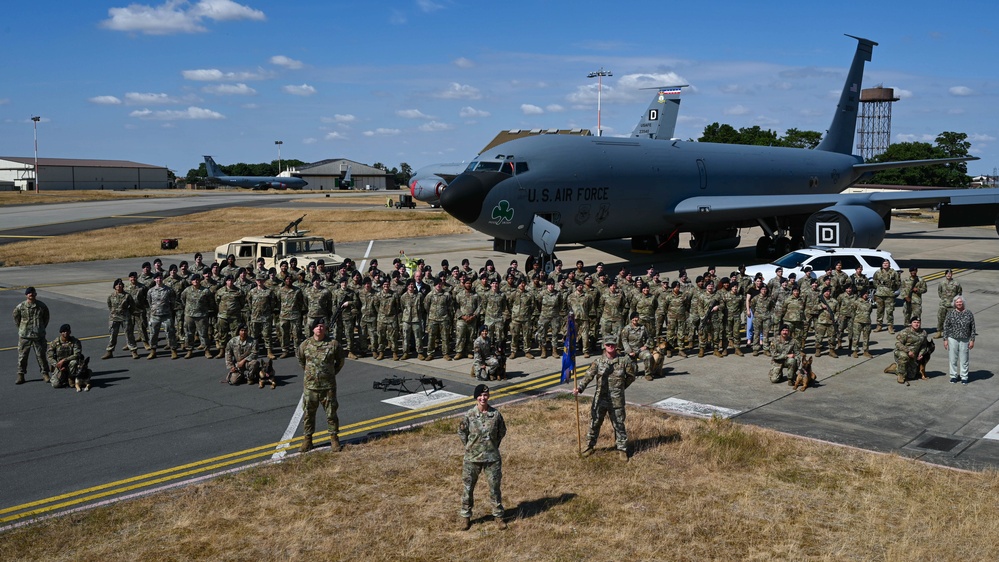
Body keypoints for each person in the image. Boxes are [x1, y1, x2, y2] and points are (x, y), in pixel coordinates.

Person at [574, 335, 636, 461]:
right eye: (608, 344)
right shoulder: (598, 362)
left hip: (616, 400)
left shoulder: (624, 362)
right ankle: (590, 446)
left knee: (619, 424)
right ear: (604, 346)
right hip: (600, 399)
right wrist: (579, 388)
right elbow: (588, 376)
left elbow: (630, 377)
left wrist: (620, 388)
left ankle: (622, 449)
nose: (610, 347)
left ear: (616, 346)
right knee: (595, 422)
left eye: (612, 344)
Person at [457, 384, 507, 530]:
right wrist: (470, 447)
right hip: (472, 458)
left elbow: (501, 432)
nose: (483, 398)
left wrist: (492, 446)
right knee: (468, 488)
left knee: (495, 488)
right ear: (476, 397)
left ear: (488, 396)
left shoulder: (496, 415)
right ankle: (465, 516)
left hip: (492, 458)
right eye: (480, 395)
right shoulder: (469, 415)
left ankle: (498, 516)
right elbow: (462, 433)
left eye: (485, 395)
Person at [296, 319, 345, 453]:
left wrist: (331, 373)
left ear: (325, 328)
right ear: (312, 329)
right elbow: (301, 360)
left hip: (327, 386)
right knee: (308, 414)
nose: (319, 328)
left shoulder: (333, 344)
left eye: (322, 326)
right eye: (317, 326)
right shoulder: (305, 344)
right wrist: (310, 373)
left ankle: (334, 438)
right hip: (310, 387)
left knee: (331, 413)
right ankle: (307, 439)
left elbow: (340, 361)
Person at [13, 286, 51, 384]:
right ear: (26, 295)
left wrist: (40, 328)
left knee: (41, 355)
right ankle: (21, 375)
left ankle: (45, 373)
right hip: (25, 335)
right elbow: (16, 318)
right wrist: (22, 328)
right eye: (29, 293)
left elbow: (46, 318)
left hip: (38, 335)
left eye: (33, 292)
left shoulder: (42, 306)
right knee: (22, 356)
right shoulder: (21, 306)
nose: (31, 294)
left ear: (35, 294)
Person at [943, 296, 976, 385]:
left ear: (963, 303)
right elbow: (946, 326)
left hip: (965, 339)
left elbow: (973, 327)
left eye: (960, 302)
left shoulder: (969, 313)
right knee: (953, 358)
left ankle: (964, 376)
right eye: (957, 302)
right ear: (954, 303)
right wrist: (945, 339)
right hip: (952, 338)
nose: (959, 303)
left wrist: (972, 340)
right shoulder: (950, 313)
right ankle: (953, 376)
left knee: (964, 358)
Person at [103, 278, 139, 360]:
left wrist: (128, 313)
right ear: (114, 287)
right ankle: (109, 351)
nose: (119, 286)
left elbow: (132, 306)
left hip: (125, 317)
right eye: (117, 285)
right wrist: (114, 312)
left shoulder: (127, 296)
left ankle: (133, 351)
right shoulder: (111, 296)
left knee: (129, 334)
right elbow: (109, 306)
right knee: (113, 335)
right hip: (114, 318)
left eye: (120, 285)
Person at [47, 324, 88, 390]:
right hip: (59, 365)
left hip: (71, 364)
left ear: (70, 332)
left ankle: (71, 378)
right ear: (60, 333)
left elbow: (77, 354)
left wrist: (63, 360)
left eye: (67, 331)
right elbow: (50, 357)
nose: (65, 333)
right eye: (63, 331)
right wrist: (57, 365)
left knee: (74, 362)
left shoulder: (75, 342)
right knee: (56, 384)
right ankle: (62, 377)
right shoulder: (54, 343)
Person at [894, 316, 929, 384]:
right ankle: (901, 375)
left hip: (914, 355)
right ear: (911, 323)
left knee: (912, 375)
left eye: (918, 322)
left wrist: (921, 354)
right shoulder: (905, 332)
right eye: (914, 322)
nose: (916, 324)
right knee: (904, 356)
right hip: (902, 352)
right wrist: (908, 351)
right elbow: (897, 343)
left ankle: (895, 368)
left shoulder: (923, 333)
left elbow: (924, 345)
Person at [936, 269, 963, 338]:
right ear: (945, 275)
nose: (948, 275)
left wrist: (955, 302)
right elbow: (939, 292)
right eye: (947, 273)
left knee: (952, 319)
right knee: (940, 318)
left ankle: (951, 333)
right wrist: (943, 299)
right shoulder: (942, 283)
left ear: (952, 275)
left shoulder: (956, 284)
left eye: (950, 273)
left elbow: (959, 293)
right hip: (943, 304)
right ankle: (939, 332)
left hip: (951, 305)